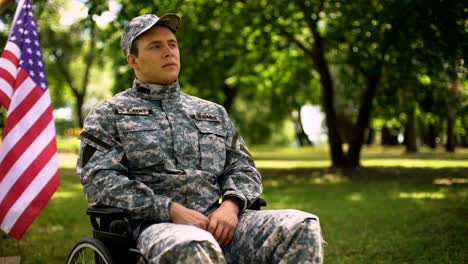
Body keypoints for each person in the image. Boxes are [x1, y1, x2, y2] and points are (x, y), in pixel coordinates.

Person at [77, 13, 324, 264]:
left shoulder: (212, 113)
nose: (168, 52)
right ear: (133, 60)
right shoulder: (109, 114)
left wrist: (231, 205)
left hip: (222, 224)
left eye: (172, 44)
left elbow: (243, 168)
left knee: (301, 225)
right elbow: (99, 180)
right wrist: (170, 209)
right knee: (194, 244)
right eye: (156, 46)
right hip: (156, 228)